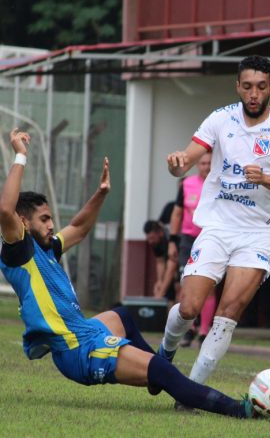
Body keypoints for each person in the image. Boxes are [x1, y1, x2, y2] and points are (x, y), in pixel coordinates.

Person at [0, 128, 255, 418]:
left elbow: (80, 228)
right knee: (161, 371)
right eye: (44, 219)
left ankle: (160, 373)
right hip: (77, 351)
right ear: (23, 221)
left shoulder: (47, 249)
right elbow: (5, 209)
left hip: (85, 331)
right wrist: (20, 154)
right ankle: (240, 410)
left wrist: (101, 194)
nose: (50, 225)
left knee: (121, 316)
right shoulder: (19, 251)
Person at [157, 55, 270, 388]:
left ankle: (189, 391)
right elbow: (185, 161)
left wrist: (267, 179)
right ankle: (164, 355)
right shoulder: (220, 119)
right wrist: (176, 163)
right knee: (189, 307)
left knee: (227, 314)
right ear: (238, 86)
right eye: (248, 86)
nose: (254, 94)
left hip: (258, 234)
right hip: (218, 228)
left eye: (261, 87)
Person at [167, 153, 216, 347]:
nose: (206, 167)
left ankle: (205, 331)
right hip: (188, 239)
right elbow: (177, 213)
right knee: (186, 283)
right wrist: (172, 240)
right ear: (197, 166)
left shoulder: (220, 184)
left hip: (211, 238)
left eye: (209, 163)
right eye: (202, 163)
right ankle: (190, 329)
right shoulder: (186, 184)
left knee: (209, 285)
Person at [143, 220, 177, 307]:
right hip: (172, 263)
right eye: (148, 238)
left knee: (177, 286)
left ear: (160, 233)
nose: (150, 242)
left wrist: (161, 292)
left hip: (184, 261)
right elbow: (160, 262)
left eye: (152, 238)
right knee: (165, 288)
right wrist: (159, 281)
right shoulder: (155, 242)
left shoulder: (172, 237)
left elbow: (172, 267)